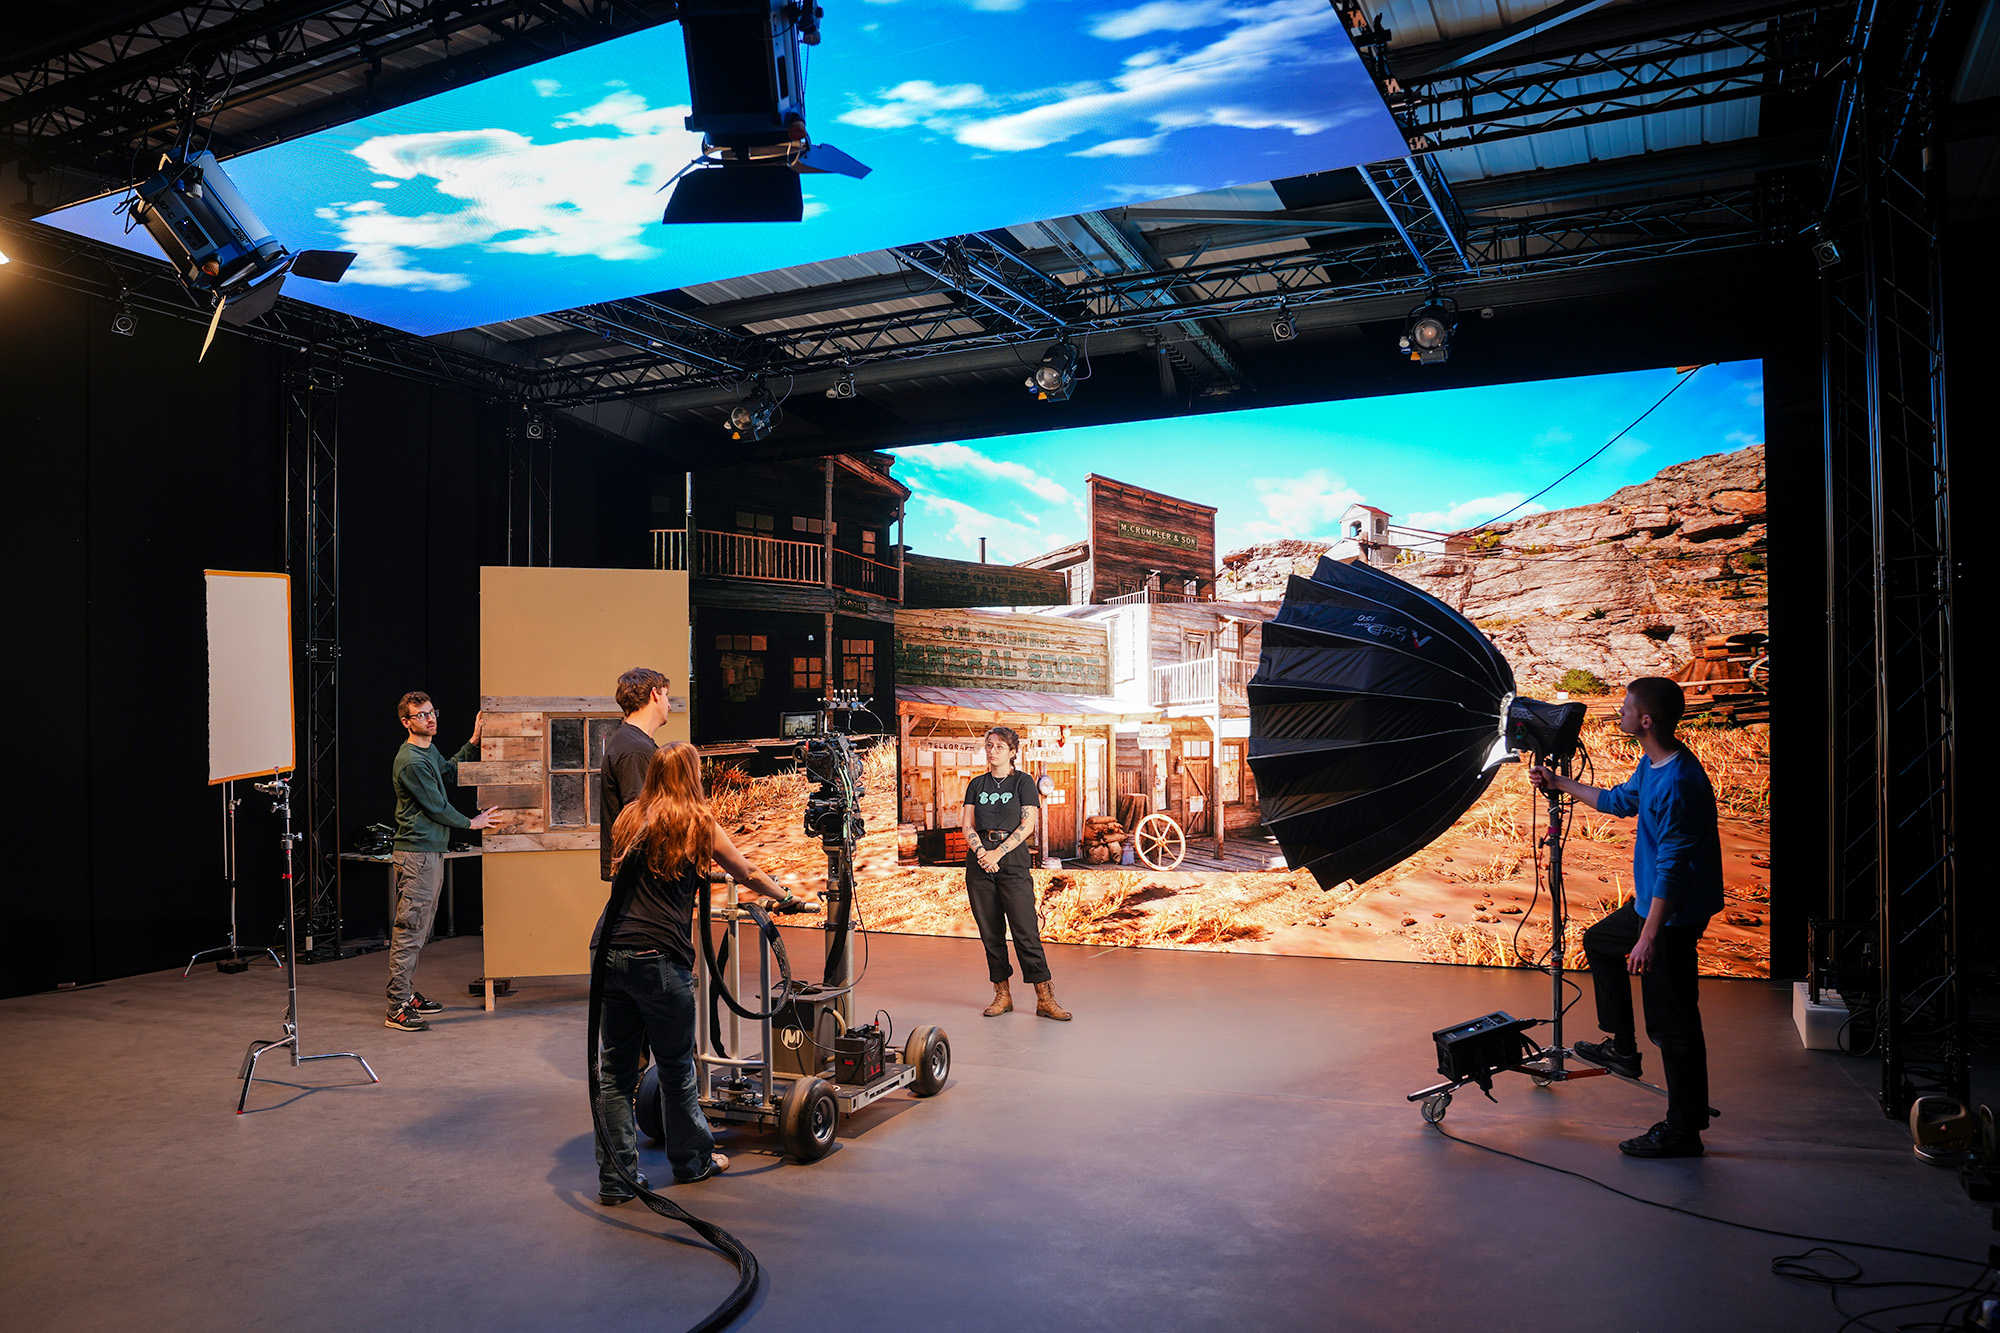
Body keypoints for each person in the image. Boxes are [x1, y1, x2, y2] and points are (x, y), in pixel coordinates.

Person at [592, 741, 807, 1203]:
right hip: (657, 957)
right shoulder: (696, 822)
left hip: (609, 950)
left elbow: (633, 870)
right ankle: (691, 1164)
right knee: (676, 1068)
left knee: (614, 1074)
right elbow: (746, 870)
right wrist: (784, 894)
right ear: (691, 776)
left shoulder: (630, 816)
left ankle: (615, 1181)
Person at [1529, 677, 1723, 1158]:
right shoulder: (1655, 763)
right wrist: (1559, 783)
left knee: (1673, 1025)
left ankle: (1684, 1130)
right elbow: (1619, 802)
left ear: (1646, 720)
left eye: (1625, 708)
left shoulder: (1678, 782)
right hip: (1652, 906)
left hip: (1671, 916)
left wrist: (1649, 937)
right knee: (1600, 942)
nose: (1619, 714)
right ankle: (1622, 1048)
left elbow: (1673, 867)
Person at [386, 692, 502, 1032]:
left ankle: (406, 994)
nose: (430, 719)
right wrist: (472, 823)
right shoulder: (411, 761)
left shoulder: (426, 751)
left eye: (432, 712)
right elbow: (437, 806)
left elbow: (449, 771)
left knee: (419, 927)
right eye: (421, 715)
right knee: (409, 930)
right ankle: (397, 1006)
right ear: (406, 722)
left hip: (429, 852)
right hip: (417, 855)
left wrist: (474, 740)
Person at [961, 726, 1070, 1021]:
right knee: (990, 933)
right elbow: (968, 825)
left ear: (1012, 752)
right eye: (989, 745)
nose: (992, 750)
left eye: (999, 746)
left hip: (1012, 861)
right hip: (980, 864)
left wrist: (998, 852)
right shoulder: (976, 784)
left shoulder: (1022, 782)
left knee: (1025, 931)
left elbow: (1028, 825)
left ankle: (1044, 997)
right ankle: (1002, 994)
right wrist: (982, 853)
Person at [601, 667, 673, 883]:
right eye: (666, 695)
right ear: (654, 694)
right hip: (642, 880)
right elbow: (642, 821)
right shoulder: (635, 749)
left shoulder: (634, 742)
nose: (669, 704)